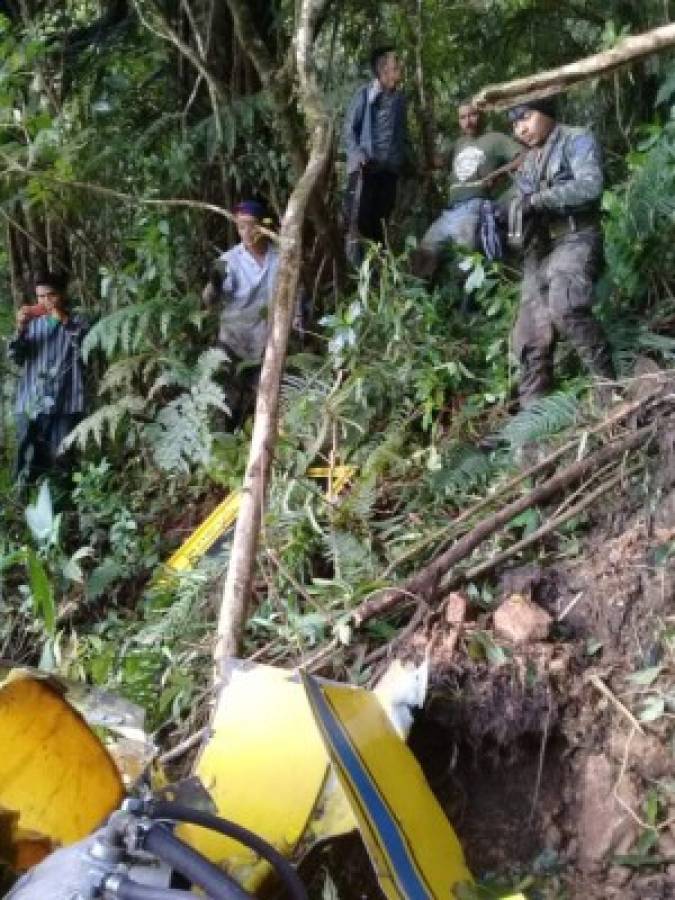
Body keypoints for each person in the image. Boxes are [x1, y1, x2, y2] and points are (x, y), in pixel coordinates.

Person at [508, 98, 614, 406]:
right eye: (514, 124)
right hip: (540, 248)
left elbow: (590, 186)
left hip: (576, 235)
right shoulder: (528, 160)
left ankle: (609, 388)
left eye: (525, 117)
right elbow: (521, 204)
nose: (521, 128)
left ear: (546, 111)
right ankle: (533, 423)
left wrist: (538, 201)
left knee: (565, 304)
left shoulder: (575, 138)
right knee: (529, 333)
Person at [414, 101, 522, 280]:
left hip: (474, 207)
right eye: (463, 117)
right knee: (423, 256)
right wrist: (426, 131)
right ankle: (419, 302)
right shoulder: (459, 143)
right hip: (449, 212)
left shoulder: (495, 139)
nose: (468, 121)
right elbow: (436, 163)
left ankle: (467, 305)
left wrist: (498, 173)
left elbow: (523, 156)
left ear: (482, 115)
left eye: (473, 115)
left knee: (465, 264)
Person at [9, 270, 88, 483]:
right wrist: (20, 329)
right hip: (31, 400)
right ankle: (21, 505)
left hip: (66, 402)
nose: (45, 302)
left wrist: (63, 320)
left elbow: (85, 348)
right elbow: (16, 357)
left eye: (50, 295)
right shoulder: (32, 324)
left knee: (62, 458)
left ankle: (65, 508)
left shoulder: (79, 321)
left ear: (61, 295)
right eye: (40, 297)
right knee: (25, 458)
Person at [343, 46, 411, 264]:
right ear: (383, 71)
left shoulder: (400, 100)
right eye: (395, 68)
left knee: (381, 223)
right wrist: (358, 154)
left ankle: (377, 275)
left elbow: (403, 135)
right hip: (366, 169)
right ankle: (355, 276)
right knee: (358, 223)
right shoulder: (365, 94)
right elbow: (349, 129)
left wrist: (410, 163)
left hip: (388, 171)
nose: (399, 72)